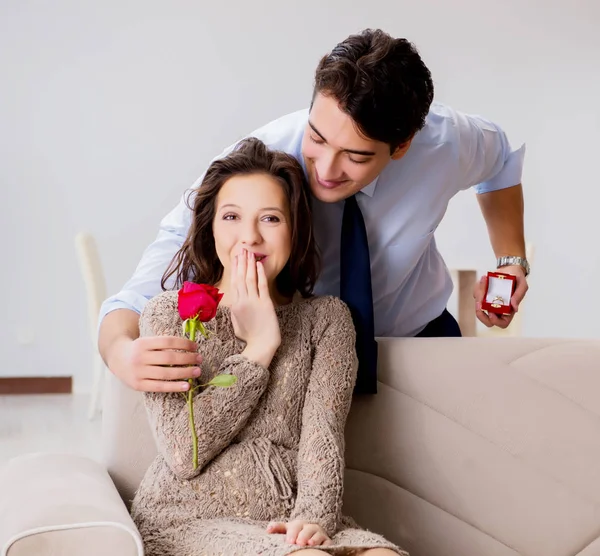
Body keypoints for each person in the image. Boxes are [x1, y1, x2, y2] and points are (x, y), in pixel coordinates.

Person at [98, 28, 529, 395]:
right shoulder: (262, 161)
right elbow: (166, 255)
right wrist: (120, 351)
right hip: (302, 358)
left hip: (423, 337)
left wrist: (510, 262)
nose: (324, 170)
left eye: (356, 157)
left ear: (402, 146)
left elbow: (502, 159)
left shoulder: (446, 143)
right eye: (317, 138)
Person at [130, 137, 405, 556]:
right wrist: (258, 347)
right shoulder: (172, 314)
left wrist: (315, 517)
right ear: (211, 227)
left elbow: (323, 436)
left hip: (288, 515)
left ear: (295, 230)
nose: (250, 237)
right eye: (232, 217)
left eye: (271, 219)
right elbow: (184, 452)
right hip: (189, 516)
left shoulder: (326, 319)